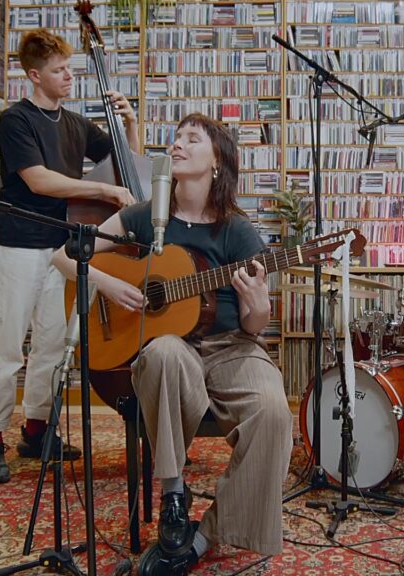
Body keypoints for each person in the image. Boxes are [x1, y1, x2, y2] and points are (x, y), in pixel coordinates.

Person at [51, 113, 293, 574]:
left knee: (274, 412)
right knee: (161, 352)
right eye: (176, 137)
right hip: (170, 345)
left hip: (231, 346)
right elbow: (64, 257)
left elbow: (253, 326)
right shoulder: (146, 215)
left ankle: (200, 539)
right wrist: (108, 284)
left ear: (217, 161)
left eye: (192, 138)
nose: (177, 144)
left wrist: (259, 303)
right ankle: (173, 497)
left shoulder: (236, 230)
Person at [0, 28, 138, 484]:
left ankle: (36, 431)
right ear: (34, 75)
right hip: (16, 246)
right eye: (59, 70)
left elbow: (127, 165)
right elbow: (39, 180)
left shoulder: (75, 124)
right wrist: (103, 191)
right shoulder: (15, 121)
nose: (69, 76)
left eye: (69, 68)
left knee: (52, 346)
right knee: (7, 347)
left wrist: (129, 123)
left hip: (61, 248)